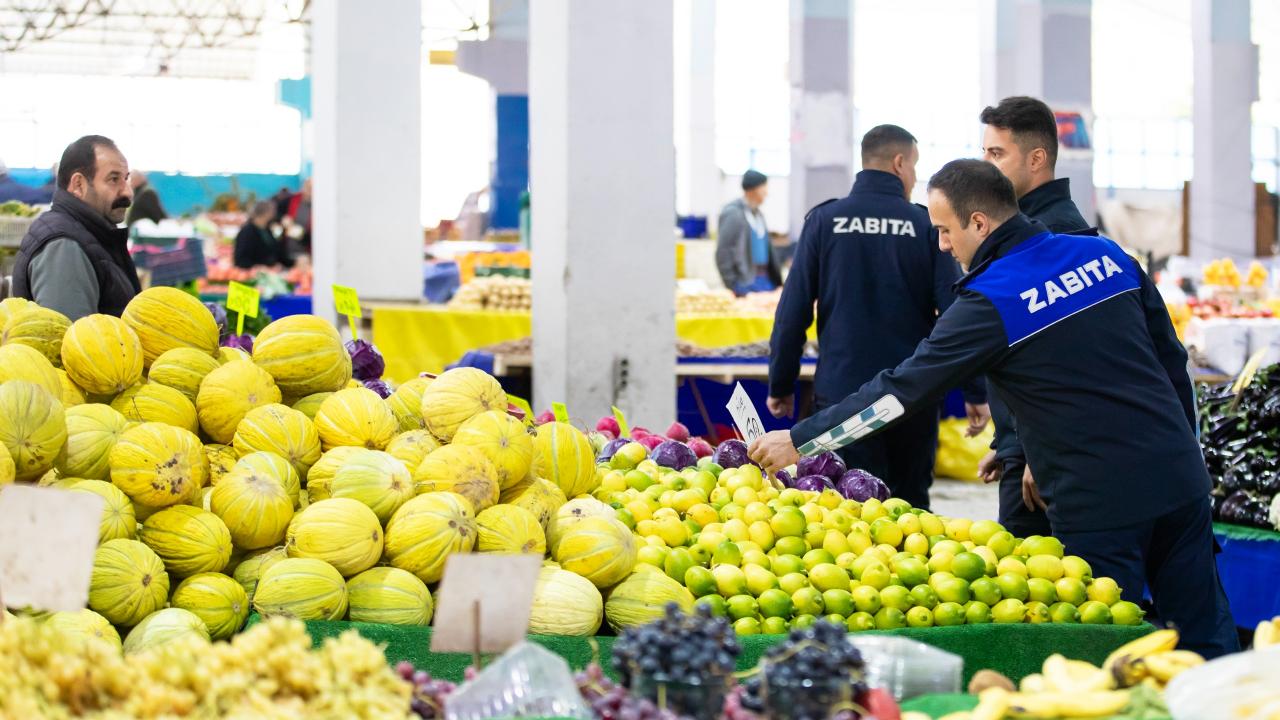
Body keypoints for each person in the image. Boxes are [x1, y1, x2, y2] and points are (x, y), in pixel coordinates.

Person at [750, 159, 1238, 658]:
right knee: (1205, 633)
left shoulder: (992, 300)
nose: (942, 244)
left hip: (1099, 501)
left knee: (1105, 651)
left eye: (944, 230)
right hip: (1179, 478)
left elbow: (898, 393)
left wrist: (802, 440)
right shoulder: (1107, 255)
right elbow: (1171, 362)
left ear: (979, 223)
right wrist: (1185, 450)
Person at [768, 125, 988, 509]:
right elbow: (956, 312)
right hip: (910, 397)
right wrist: (975, 391)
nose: (914, 177)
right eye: (914, 166)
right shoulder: (925, 225)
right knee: (909, 512)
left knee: (844, 511)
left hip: (842, 400)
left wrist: (781, 383)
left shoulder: (825, 220)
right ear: (899, 163)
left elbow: (793, 312)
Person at [977, 96, 1090, 538]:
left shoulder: (1057, 237)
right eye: (985, 153)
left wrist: (1036, 454)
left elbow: (1068, 361)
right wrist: (1007, 442)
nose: (986, 167)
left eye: (997, 154)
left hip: (1047, 461)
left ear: (1037, 158)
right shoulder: (1025, 227)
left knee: (1039, 573)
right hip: (1027, 449)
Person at [10, 136, 140, 320]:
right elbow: (69, 335)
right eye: (113, 179)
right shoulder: (63, 247)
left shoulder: (91, 235)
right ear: (78, 185)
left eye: (126, 179)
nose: (127, 192)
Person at [716, 170, 781, 295]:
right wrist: (732, 283)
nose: (766, 193)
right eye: (764, 188)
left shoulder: (759, 215)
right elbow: (724, 251)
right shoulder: (733, 214)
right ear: (753, 189)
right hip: (745, 282)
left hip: (765, 279)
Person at [233, 201, 293, 269]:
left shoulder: (267, 230)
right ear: (265, 214)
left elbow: (278, 253)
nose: (274, 214)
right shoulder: (247, 232)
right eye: (272, 211)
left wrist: (293, 262)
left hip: (271, 272)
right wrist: (261, 267)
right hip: (255, 274)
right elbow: (240, 260)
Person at [286, 177, 312, 251]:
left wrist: (297, 231)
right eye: (307, 187)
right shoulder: (292, 200)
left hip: (307, 250)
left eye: (311, 188)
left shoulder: (319, 207)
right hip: (288, 248)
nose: (309, 190)